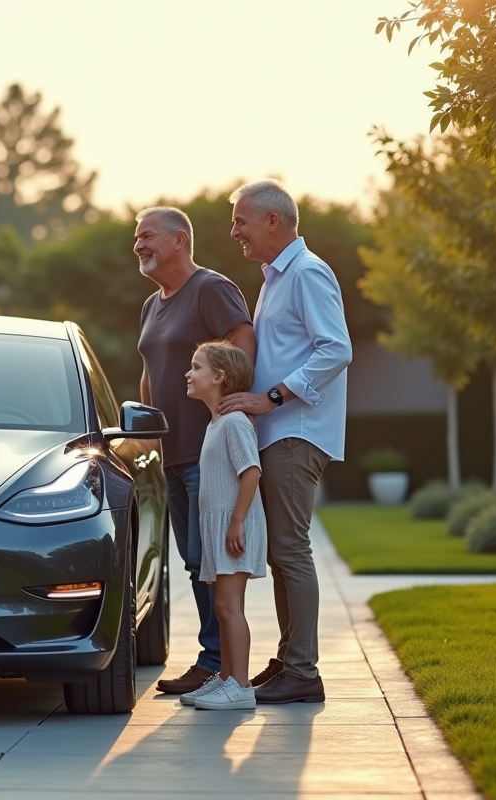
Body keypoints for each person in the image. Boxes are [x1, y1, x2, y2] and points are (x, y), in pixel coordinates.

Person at [219, 179, 352, 704]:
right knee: (280, 551)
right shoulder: (276, 277)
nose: (234, 232)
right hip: (278, 432)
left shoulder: (308, 272)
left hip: (296, 432)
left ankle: (304, 670)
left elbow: (335, 350)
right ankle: (290, 660)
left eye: (241, 221)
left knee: (290, 550)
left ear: (273, 220)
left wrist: (270, 398)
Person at [132, 206, 257, 696]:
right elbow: (150, 371)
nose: (138, 245)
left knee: (212, 560)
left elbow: (241, 340)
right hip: (171, 453)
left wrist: (230, 407)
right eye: (136, 238)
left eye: (147, 236)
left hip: (208, 452)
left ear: (179, 239)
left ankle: (220, 665)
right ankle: (214, 660)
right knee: (193, 560)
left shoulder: (211, 288)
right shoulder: (151, 304)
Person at [179, 341, 267, 711]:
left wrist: (236, 522)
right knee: (222, 607)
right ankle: (227, 680)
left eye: (196, 367)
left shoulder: (233, 423)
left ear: (219, 377)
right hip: (219, 527)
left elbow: (251, 472)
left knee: (230, 607)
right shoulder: (215, 423)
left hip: (235, 526)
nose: (188, 373)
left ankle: (241, 687)